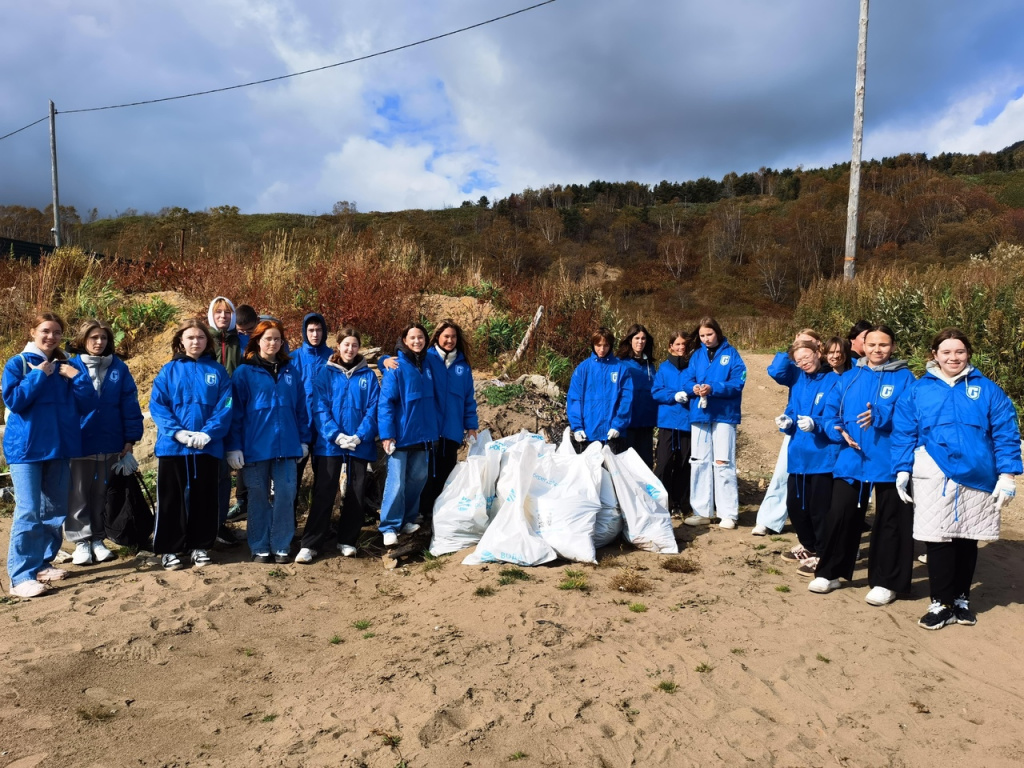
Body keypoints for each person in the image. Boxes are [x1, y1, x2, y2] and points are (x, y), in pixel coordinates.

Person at [892, 328, 1022, 629]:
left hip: (978, 474)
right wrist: (901, 468)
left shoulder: (987, 389)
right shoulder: (918, 390)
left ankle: (961, 599)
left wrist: (1007, 474)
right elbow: (904, 432)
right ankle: (940, 603)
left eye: (960, 352)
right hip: (933, 473)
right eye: (946, 352)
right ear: (934, 355)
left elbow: (1005, 432)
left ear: (968, 354)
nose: (954, 357)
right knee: (937, 538)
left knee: (967, 538)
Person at [809, 324, 917, 604]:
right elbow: (830, 414)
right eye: (872, 345)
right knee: (841, 514)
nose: (877, 350)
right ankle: (830, 572)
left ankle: (885, 581)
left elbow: (912, 417)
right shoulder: (849, 378)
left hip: (889, 460)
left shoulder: (905, 378)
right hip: (852, 458)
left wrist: (880, 415)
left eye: (883, 345)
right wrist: (838, 430)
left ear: (892, 347)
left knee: (890, 521)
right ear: (862, 346)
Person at [3, 313, 97, 597]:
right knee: (29, 510)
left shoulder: (68, 365)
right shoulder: (17, 363)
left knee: (54, 511)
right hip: (26, 449)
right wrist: (37, 375)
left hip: (59, 447)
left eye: (57, 332)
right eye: (45, 331)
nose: (51, 337)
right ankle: (20, 577)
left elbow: (88, 403)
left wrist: (77, 377)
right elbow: (14, 401)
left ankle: (42, 563)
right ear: (33, 332)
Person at [149, 318, 233, 570]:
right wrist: (177, 433)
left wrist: (208, 433)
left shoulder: (217, 372)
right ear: (181, 341)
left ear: (208, 342)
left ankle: (200, 546)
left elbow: (226, 404)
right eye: (190, 337)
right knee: (171, 499)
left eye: (200, 337)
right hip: (173, 448)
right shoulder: (168, 371)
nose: (195, 341)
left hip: (206, 447)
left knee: (204, 498)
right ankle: (169, 549)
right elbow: (158, 405)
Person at [226, 321, 309, 564]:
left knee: (286, 493)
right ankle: (260, 545)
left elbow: (301, 409)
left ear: (283, 342)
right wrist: (234, 446)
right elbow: (236, 413)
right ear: (257, 341)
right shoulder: (244, 373)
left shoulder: (291, 371)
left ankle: (281, 544)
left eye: (277, 339)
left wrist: (303, 440)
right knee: (258, 495)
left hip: (287, 445)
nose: (272, 343)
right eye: (267, 339)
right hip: (255, 447)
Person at [297, 328, 380, 562]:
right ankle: (311, 543)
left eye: (354, 345)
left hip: (358, 444)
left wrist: (360, 435)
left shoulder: (368, 376)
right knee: (324, 491)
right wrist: (335, 435)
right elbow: (319, 407)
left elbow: (373, 409)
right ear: (339, 346)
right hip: (329, 444)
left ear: (359, 347)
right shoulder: (325, 373)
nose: (350, 349)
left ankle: (347, 540)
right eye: (346, 345)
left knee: (355, 492)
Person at [66, 319, 144, 565]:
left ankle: (98, 539)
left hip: (111, 442)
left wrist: (130, 439)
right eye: (93, 338)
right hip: (79, 442)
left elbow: (129, 405)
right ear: (82, 340)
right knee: (78, 494)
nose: (99, 342)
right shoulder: (69, 366)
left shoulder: (119, 368)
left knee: (102, 494)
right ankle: (80, 541)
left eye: (103, 338)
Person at [773, 340, 841, 576]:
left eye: (807, 357)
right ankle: (810, 546)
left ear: (817, 353)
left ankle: (823, 553)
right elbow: (792, 408)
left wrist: (817, 424)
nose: (803, 363)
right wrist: (787, 421)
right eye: (798, 360)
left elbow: (837, 417)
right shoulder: (799, 380)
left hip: (823, 456)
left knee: (819, 510)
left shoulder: (833, 379)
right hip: (798, 454)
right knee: (795, 505)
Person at [377, 324, 443, 547]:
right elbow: (385, 403)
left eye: (421, 337)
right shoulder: (396, 366)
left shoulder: (428, 363)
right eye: (412, 338)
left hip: (424, 436)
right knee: (396, 482)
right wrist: (387, 435)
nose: (417, 341)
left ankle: (407, 519)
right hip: (401, 436)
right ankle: (389, 526)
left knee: (417, 479)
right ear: (404, 340)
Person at [753, 329, 821, 536]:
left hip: (821, 431)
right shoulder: (797, 368)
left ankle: (816, 528)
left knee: (817, 482)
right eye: (799, 343)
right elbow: (776, 372)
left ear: (819, 344)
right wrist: (790, 350)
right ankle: (769, 520)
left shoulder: (829, 369)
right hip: (796, 430)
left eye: (808, 343)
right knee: (783, 473)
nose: (803, 347)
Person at [680, 317, 746, 529]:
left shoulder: (731, 354)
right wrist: (694, 388)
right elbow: (687, 380)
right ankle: (701, 511)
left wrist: (713, 387)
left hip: (724, 415)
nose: (706, 339)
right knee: (698, 461)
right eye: (702, 336)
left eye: (709, 334)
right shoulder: (697, 356)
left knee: (723, 462)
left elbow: (738, 382)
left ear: (717, 332)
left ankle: (728, 513)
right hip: (700, 414)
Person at [207, 296, 245, 543]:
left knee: (224, 474)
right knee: (208, 473)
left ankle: (219, 523)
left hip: (235, 412)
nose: (223, 316)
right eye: (218, 312)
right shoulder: (203, 339)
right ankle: (203, 523)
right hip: (209, 414)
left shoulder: (240, 341)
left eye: (227, 312)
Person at [566, 328, 634, 455]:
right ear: (593, 345)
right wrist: (577, 427)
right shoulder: (583, 369)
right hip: (589, 433)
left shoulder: (621, 369)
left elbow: (626, 400)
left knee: (612, 473)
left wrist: (618, 425)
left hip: (613, 435)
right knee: (590, 474)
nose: (602, 350)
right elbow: (574, 399)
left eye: (606, 345)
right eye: (598, 345)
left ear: (611, 345)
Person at [292, 312, 332, 516]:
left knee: (324, 483)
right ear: (304, 332)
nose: (315, 334)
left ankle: (319, 529)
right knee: (292, 484)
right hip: (300, 430)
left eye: (318, 330)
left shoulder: (333, 357)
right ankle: (287, 529)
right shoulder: (294, 357)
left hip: (325, 432)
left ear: (324, 331)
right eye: (311, 330)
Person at [650, 330, 693, 516]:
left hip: (687, 422)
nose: (681, 348)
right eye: (677, 344)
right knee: (664, 462)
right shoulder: (664, 368)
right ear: (670, 347)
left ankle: (679, 502)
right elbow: (656, 392)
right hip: (667, 422)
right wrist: (673, 396)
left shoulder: (693, 367)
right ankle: (660, 501)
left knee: (684, 464)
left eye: (684, 344)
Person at [617, 324, 658, 467]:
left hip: (646, 422)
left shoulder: (650, 366)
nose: (640, 342)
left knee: (646, 464)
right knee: (627, 464)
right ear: (630, 340)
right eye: (637, 338)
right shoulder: (622, 364)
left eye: (643, 338)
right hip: (628, 422)